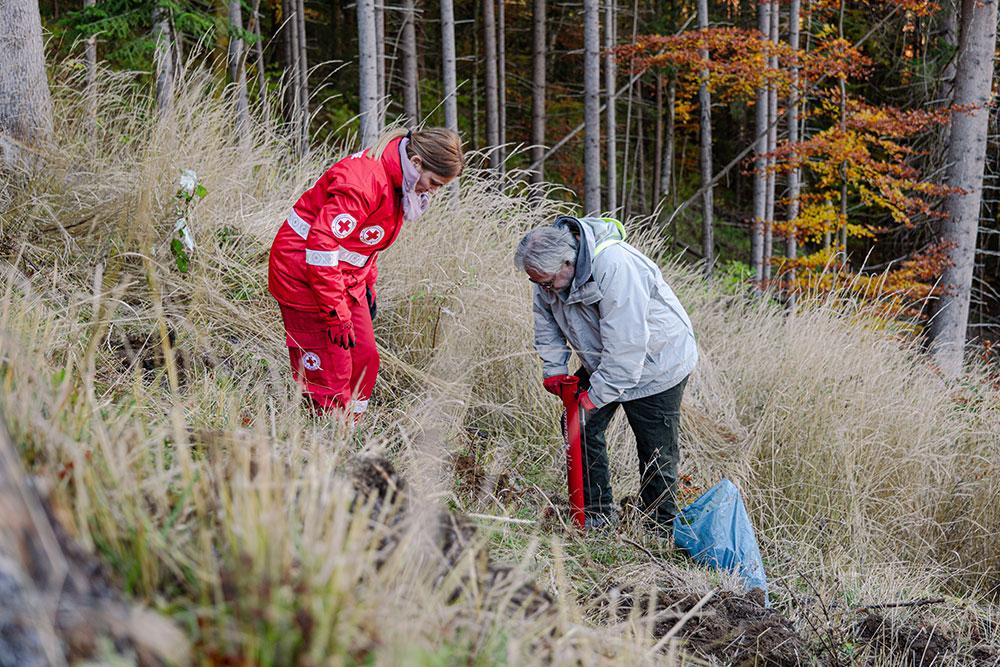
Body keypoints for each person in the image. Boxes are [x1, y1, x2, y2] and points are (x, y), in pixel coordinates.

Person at [514, 216, 697, 537]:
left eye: (547, 283)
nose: (543, 289)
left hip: (657, 362)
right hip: (603, 359)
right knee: (578, 427)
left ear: (569, 263)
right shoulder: (545, 274)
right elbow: (545, 322)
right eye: (537, 283)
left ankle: (659, 529)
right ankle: (596, 514)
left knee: (655, 449)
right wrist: (554, 369)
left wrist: (593, 397)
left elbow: (627, 348)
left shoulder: (615, 266)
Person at [268, 127, 463, 419]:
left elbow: (363, 243)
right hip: (301, 273)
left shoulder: (397, 183)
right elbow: (322, 245)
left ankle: (351, 427)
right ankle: (324, 435)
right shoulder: (365, 181)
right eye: (433, 182)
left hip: (344, 278)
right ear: (417, 163)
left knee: (364, 358)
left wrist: (368, 285)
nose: (432, 191)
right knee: (331, 370)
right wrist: (337, 313)